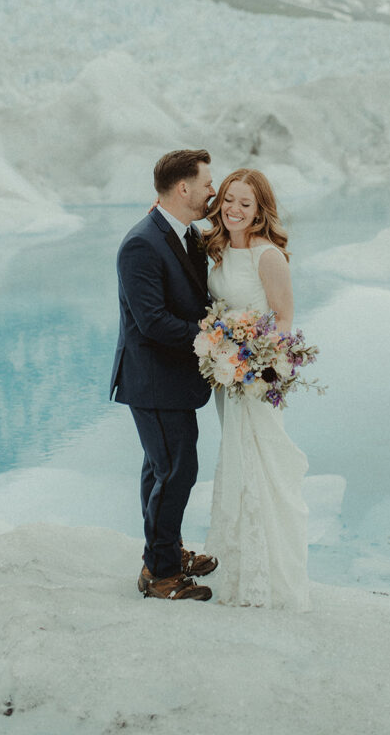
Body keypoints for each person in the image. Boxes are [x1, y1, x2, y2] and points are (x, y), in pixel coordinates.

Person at [110, 149, 219, 601]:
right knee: (176, 470)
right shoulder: (141, 243)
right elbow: (152, 321)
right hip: (153, 379)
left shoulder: (183, 232)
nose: (213, 190)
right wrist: (213, 337)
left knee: (162, 469)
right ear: (183, 188)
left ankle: (164, 550)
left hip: (171, 378)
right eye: (207, 183)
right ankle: (160, 574)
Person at [202, 168, 310, 609]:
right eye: (229, 199)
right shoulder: (218, 248)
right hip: (226, 377)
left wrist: (256, 361)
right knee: (235, 463)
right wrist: (223, 352)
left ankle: (268, 578)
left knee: (261, 464)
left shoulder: (269, 257)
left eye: (245, 203)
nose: (234, 210)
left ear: (260, 208)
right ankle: (241, 571)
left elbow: (283, 318)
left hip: (255, 379)